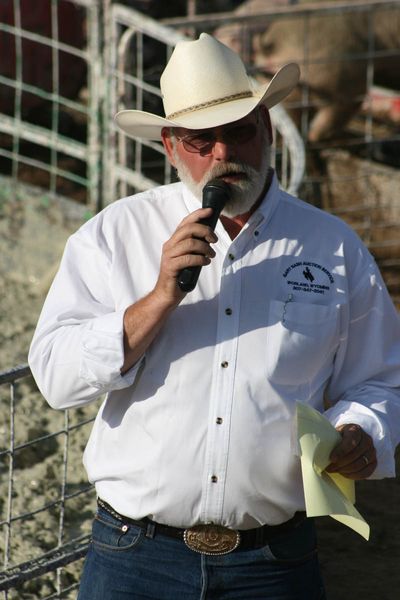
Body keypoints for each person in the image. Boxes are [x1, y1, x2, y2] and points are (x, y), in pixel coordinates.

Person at [28, 33, 400, 600]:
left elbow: (382, 380)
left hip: (273, 562)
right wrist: (157, 300)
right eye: (202, 140)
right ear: (172, 147)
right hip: (136, 557)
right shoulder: (114, 235)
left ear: (269, 131)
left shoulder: (333, 247)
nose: (223, 155)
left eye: (240, 132)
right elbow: (55, 377)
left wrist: (360, 430)